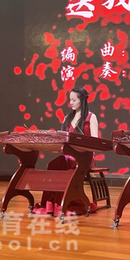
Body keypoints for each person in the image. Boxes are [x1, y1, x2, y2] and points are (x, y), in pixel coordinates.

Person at [34, 86, 99, 216]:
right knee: (53, 164)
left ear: (82, 100)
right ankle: (51, 203)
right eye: (70, 100)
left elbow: (95, 141)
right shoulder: (67, 118)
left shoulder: (91, 117)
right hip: (70, 155)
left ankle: (62, 202)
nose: (71, 103)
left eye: (74, 100)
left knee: (65, 163)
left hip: (85, 156)